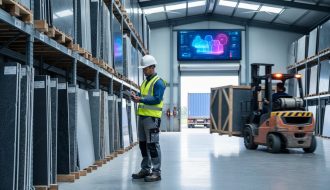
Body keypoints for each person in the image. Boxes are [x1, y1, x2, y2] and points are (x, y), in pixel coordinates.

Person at [131, 55, 166, 182]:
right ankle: (145, 169)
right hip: (142, 117)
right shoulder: (145, 82)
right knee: (143, 145)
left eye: (146, 68)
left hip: (152, 119)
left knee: (152, 145)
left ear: (152, 67)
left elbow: (157, 98)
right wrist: (137, 95)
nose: (144, 71)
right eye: (143, 69)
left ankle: (156, 172)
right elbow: (143, 95)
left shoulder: (159, 82)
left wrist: (141, 99)